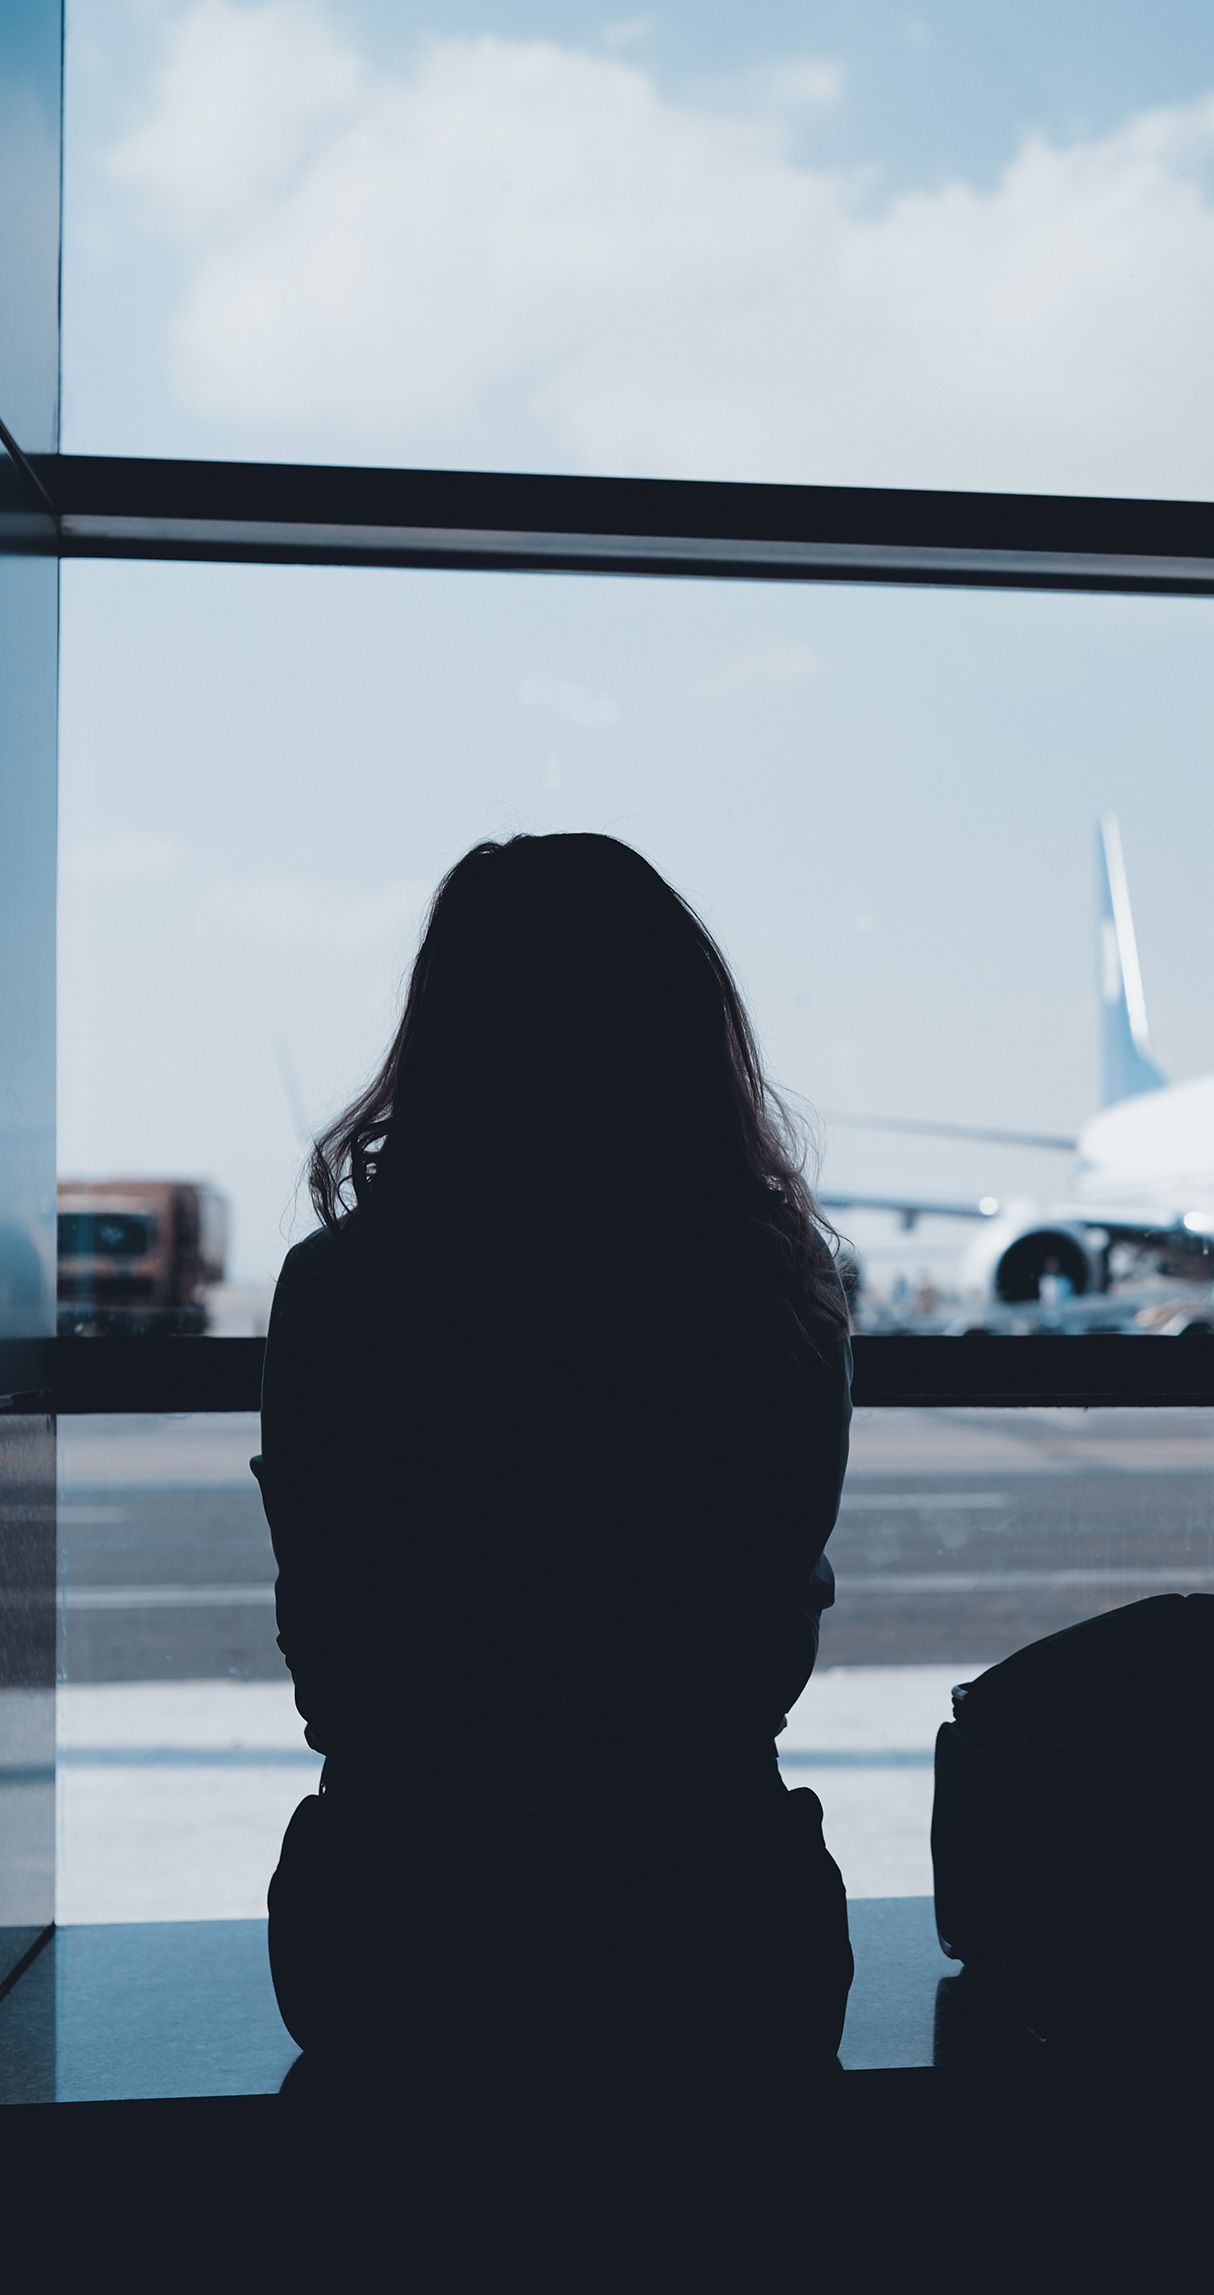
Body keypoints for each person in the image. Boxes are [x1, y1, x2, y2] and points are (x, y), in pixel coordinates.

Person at [255, 834, 857, 2096]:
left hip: (404, 1922)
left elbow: (344, 1654)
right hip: (713, 1913)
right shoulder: (775, 1296)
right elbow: (755, 1652)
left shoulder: (345, 1295)